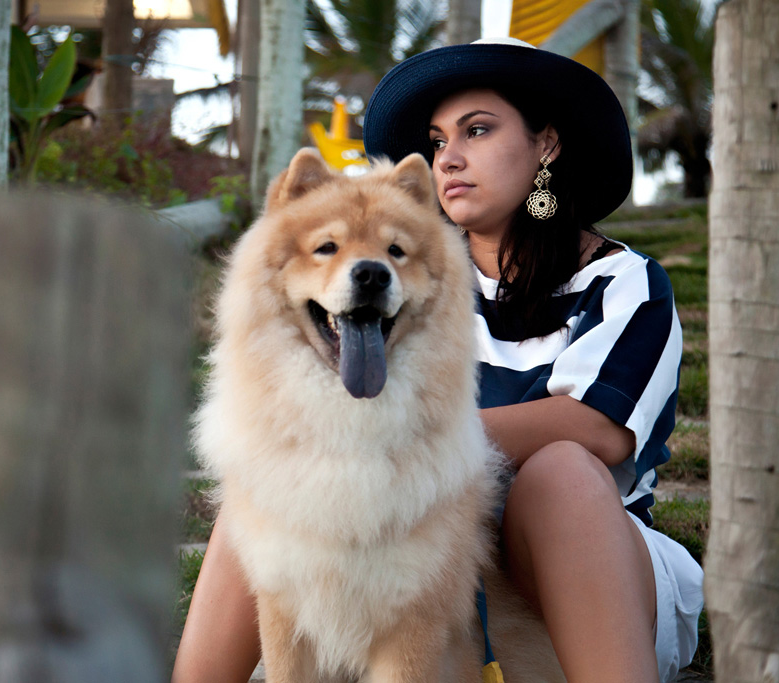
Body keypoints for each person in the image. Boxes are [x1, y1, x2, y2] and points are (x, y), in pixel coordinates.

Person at [172, 38, 704, 683]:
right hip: (414, 564)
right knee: (266, 481)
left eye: (477, 131)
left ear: (546, 146)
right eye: (437, 139)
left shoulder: (622, 280)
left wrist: (395, 441)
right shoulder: (415, 277)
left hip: (580, 568)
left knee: (561, 472)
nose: (449, 158)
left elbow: (600, 428)